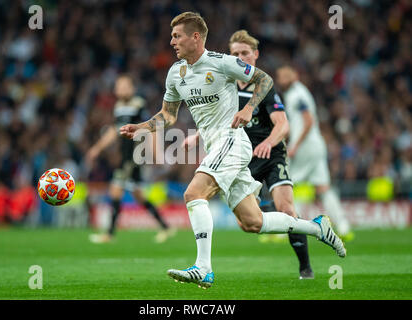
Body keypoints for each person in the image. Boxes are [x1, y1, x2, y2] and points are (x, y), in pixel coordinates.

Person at [120, 12, 346, 289]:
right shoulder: (175, 73)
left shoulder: (223, 63)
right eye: (171, 36)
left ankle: (203, 268)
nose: (171, 41)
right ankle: (317, 227)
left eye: (177, 36)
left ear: (195, 37)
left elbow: (264, 80)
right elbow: (168, 115)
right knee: (253, 222)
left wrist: (249, 107)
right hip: (217, 146)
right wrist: (142, 127)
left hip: (233, 141)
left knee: (194, 193)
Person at [87, 74, 176, 244]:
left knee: (115, 190)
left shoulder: (138, 105)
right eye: (118, 86)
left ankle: (109, 234)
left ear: (132, 88)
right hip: (126, 156)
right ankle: (166, 227)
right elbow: (114, 131)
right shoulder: (119, 107)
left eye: (124, 86)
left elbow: (152, 126)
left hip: (135, 156)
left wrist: (155, 152)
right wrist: (97, 148)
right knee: (139, 196)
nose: (120, 89)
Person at [276, 66, 354, 242]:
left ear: (294, 76)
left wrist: (295, 144)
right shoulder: (298, 92)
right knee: (323, 187)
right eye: (279, 77)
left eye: (284, 76)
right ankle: (343, 226)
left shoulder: (297, 94)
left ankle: (284, 229)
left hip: (306, 145)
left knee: (287, 183)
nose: (281, 80)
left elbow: (308, 120)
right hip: (316, 144)